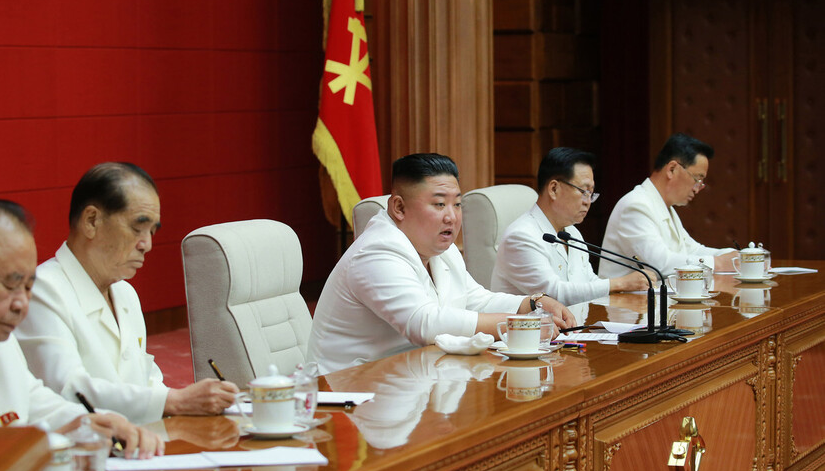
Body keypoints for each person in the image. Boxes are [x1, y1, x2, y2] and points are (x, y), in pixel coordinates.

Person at [0, 199, 163, 458]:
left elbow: (35, 402)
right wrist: (45, 445)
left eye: (28, 287)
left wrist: (93, 422)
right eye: (10, 285)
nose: (22, 305)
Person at [306, 153, 575, 374]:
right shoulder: (376, 252)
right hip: (350, 392)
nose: (452, 217)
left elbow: (474, 299)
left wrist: (533, 303)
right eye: (439, 204)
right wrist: (519, 324)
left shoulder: (439, 248)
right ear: (398, 208)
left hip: (410, 379)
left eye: (457, 205)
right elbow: (425, 323)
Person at [15, 163, 238, 424]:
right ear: (91, 221)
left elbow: (148, 380)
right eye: (137, 228)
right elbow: (69, 391)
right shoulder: (43, 288)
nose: (148, 244)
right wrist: (175, 401)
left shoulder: (125, 293)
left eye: (152, 231)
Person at [492, 148, 651, 305]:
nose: (587, 201)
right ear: (554, 189)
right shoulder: (521, 236)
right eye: (583, 191)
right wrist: (621, 283)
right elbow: (553, 295)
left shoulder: (571, 232)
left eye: (591, 193)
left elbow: (590, 282)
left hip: (573, 329)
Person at [599, 133, 737, 278]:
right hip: (623, 300)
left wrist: (736, 257)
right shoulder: (635, 206)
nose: (697, 189)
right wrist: (717, 263)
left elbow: (693, 250)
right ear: (672, 169)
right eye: (697, 179)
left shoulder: (665, 206)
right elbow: (660, 265)